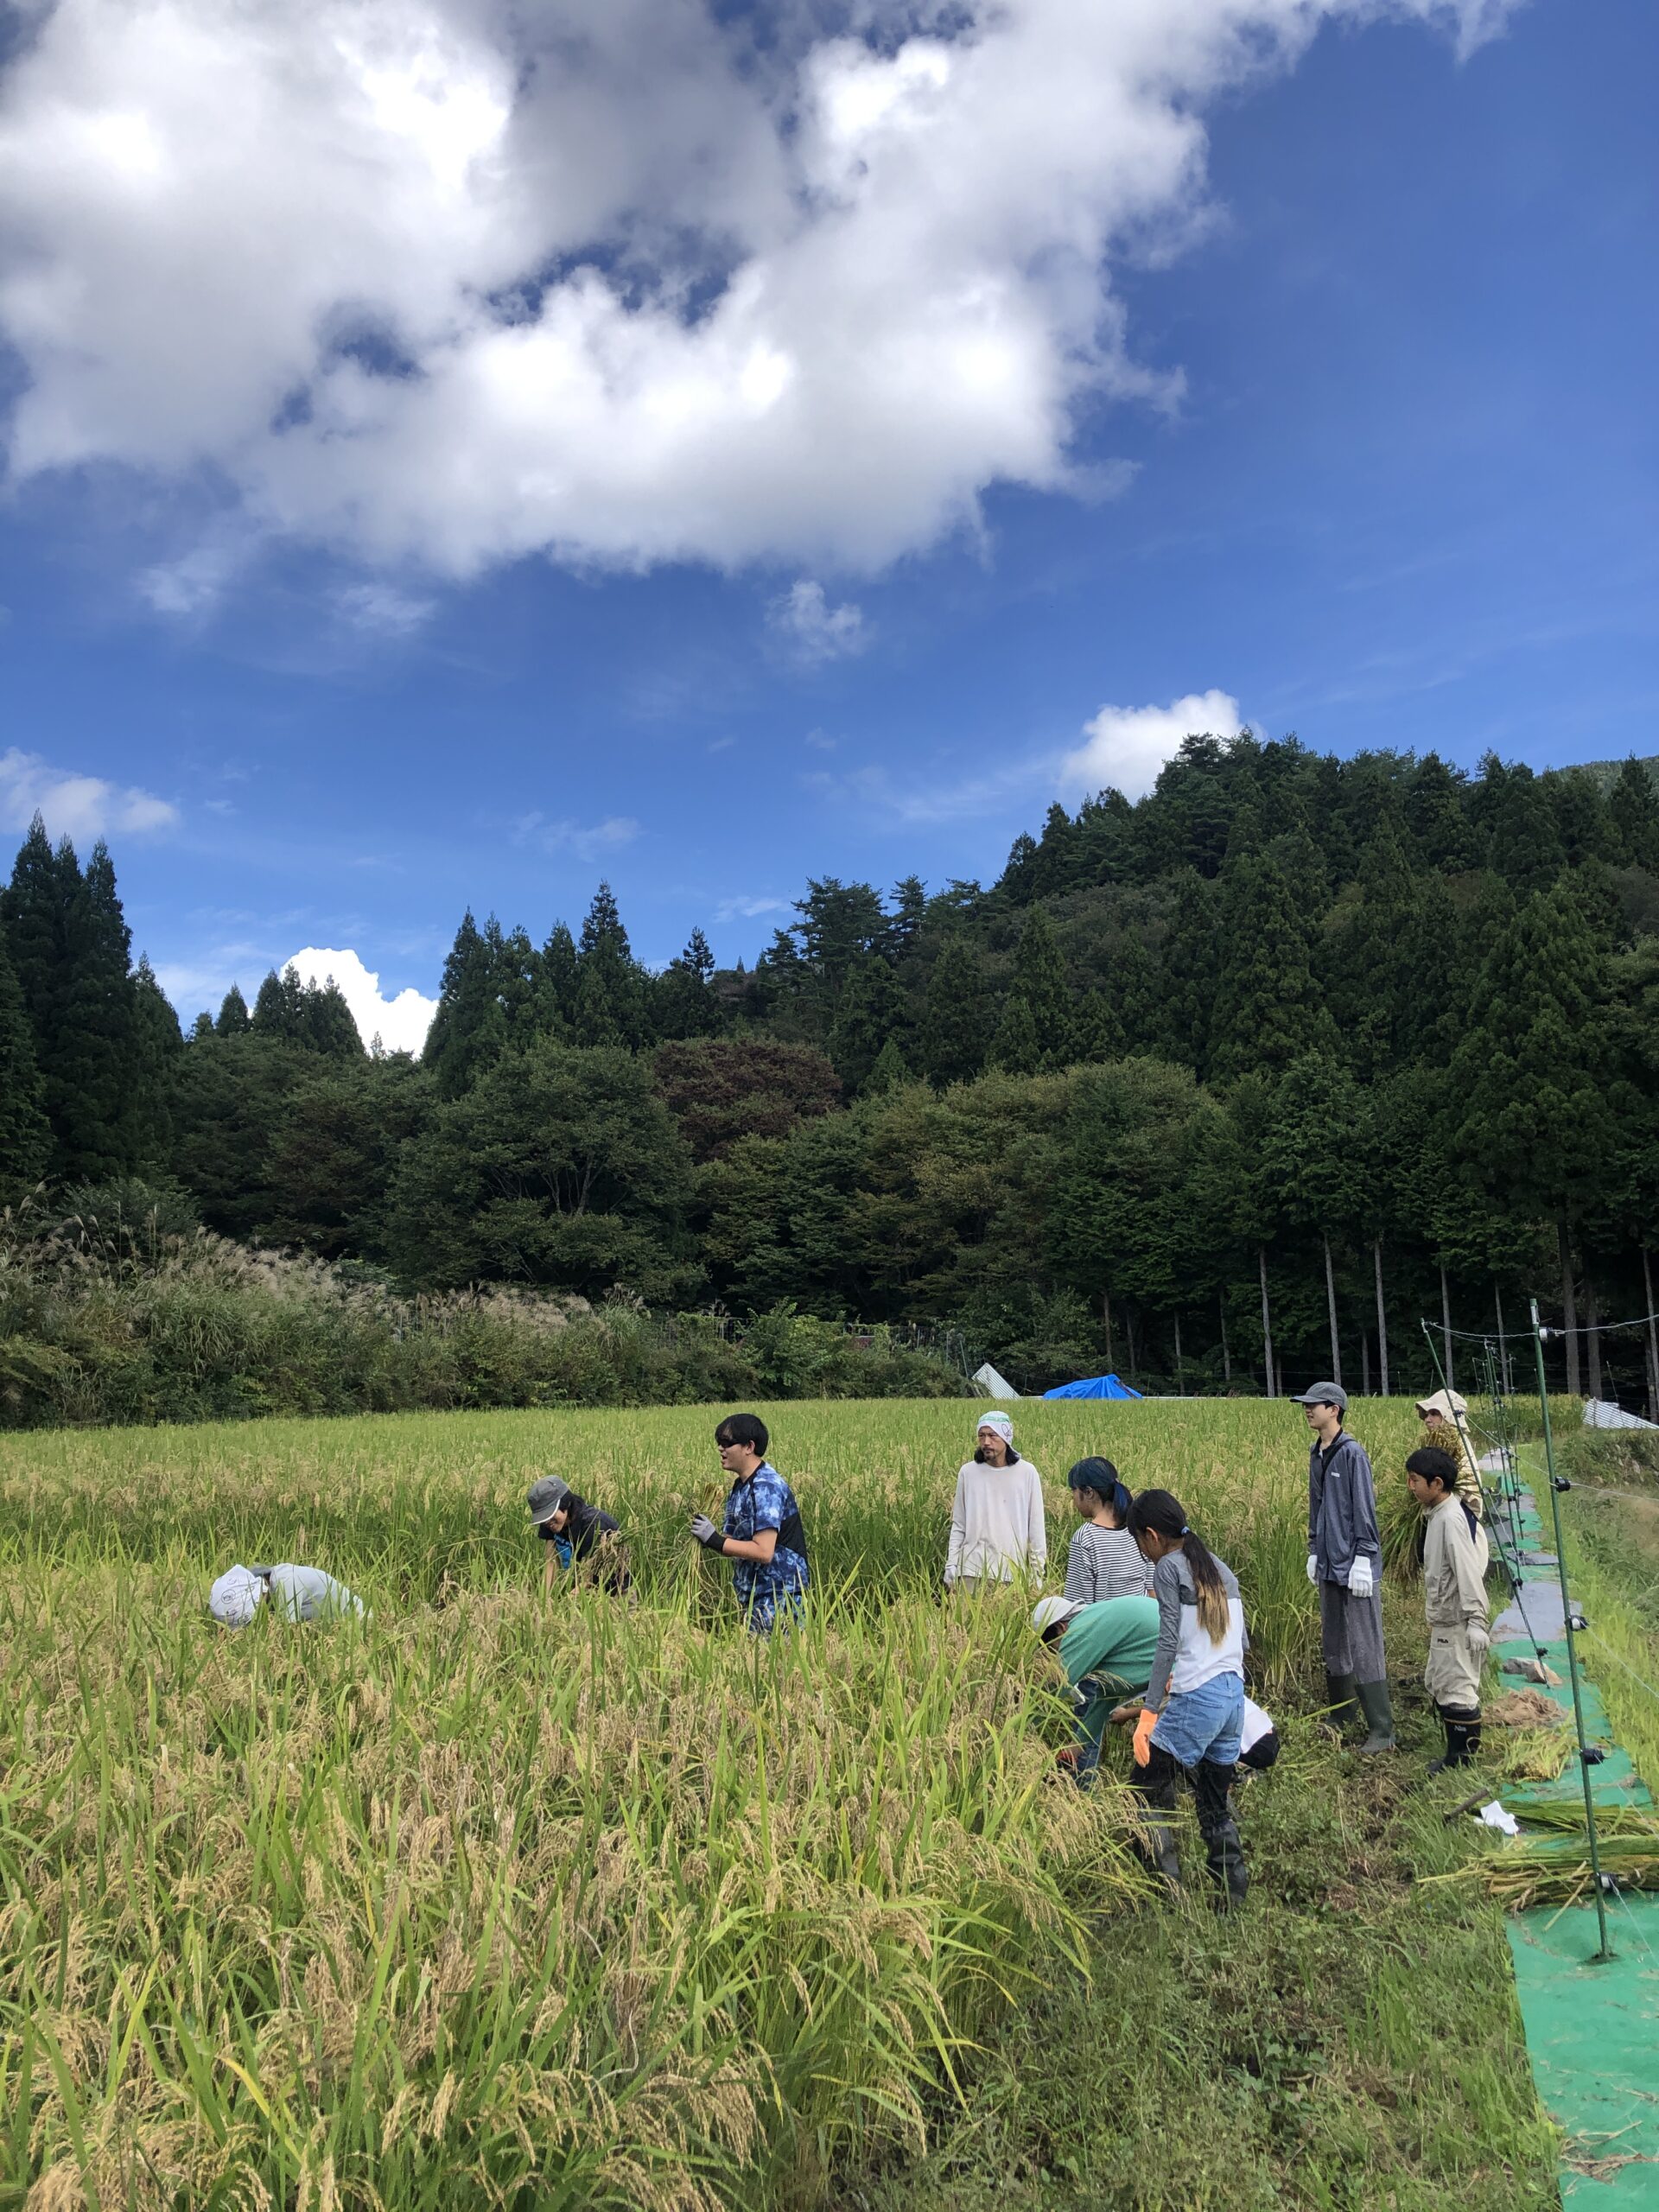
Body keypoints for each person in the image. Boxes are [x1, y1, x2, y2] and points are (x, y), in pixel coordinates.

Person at [1122, 1488, 1250, 1908]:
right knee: (1213, 1803)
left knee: (1142, 1790)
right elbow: (1240, 1641)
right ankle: (1232, 1898)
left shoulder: (1167, 1567)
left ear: (1152, 1536)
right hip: (1233, 1698)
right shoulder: (1219, 1567)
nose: (1142, 1551)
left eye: (1139, 1542)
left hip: (1198, 1700)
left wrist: (1149, 1710)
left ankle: (1162, 1891)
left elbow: (1166, 1644)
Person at [1300, 1382, 1394, 1754]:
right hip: (1327, 1561)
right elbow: (1316, 1505)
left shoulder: (1352, 1454)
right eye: (1305, 1406)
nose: (1307, 1410)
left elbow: (1363, 1510)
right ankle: (1343, 1712)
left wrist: (1363, 1558)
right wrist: (1313, 1548)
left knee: (1364, 1642)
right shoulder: (1316, 1452)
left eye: (1314, 1405)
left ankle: (1382, 1729)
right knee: (1335, 1638)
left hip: (1355, 1564)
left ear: (1334, 1409)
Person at [1408, 1445, 1491, 1772]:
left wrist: (1476, 1620)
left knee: (1457, 1687)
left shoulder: (1452, 1520)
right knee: (1441, 1681)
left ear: (1437, 1484)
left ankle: (1460, 1762)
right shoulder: (1439, 1514)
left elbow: (1468, 1570)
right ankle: (1455, 1755)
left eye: (1415, 1480)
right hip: (1445, 1620)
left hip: (1457, 1621)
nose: (1411, 1487)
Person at [690, 1412, 810, 1633]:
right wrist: (707, 1536)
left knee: (770, 1664)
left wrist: (715, 1540)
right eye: (719, 1443)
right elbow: (734, 1542)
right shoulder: (740, 1488)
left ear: (749, 1447)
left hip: (778, 1595)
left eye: (726, 1443)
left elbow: (764, 1551)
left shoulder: (766, 1487)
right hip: (753, 1594)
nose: (720, 1449)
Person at [1032, 1590, 1160, 1783]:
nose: (1056, 1656)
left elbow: (1055, 1689)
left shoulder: (1081, 1628)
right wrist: (1074, 1749)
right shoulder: (1100, 1627)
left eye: (1053, 1648)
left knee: (1153, 1769)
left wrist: (1019, 1725)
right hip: (1194, 1666)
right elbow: (1105, 1698)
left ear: (1061, 1627)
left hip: (1187, 1670)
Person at [944, 1412, 1046, 1592]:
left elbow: (1036, 1527)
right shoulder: (968, 1472)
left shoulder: (1027, 1473)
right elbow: (959, 1524)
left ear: (1006, 1437)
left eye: (992, 1435)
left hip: (1012, 1573)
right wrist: (952, 1563)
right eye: (981, 1435)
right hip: (971, 1571)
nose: (986, 1442)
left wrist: (1037, 1572)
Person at [1062, 1458, 1149, 1603]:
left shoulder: (1085, 1538)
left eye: (1074, 1490)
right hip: (1145, 1622)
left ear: (1089, 1492)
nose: (1073, 1498)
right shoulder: (1138, 1528)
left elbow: (1078, 1607)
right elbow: (1153, 1592)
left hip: (1107, 1624)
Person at [527, 1477, 630, 1593]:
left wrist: (570, 1602)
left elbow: (589, 1577)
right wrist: (544, 1600)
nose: (547, 1522)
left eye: (549, 1515)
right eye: (543, 1517)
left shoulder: (594, 1525)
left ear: (565, 1504)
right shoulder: (549, 1523)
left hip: (616, 1591)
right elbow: (551, 1561)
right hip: (581, 1585)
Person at [208, 1562, 365, 1627]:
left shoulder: (286, 1583)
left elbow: (288, 1636)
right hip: (326, 1625)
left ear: (258, 1597)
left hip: (357, 1620)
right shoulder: (272, 1583)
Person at [1414, 1389, 1485, 1521]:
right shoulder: (1437, 1442)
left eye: (1434, 1414)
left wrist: (1435, 1511)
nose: (1427, 1420)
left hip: (1461, 1514)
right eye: (1426, 1414)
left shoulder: (1458, 1445)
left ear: (1448, 1416)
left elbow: (1461, 1487)